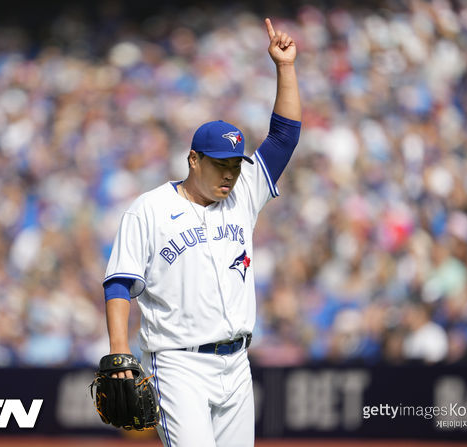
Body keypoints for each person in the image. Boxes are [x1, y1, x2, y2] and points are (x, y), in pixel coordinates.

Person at [102, 18, 301, 446]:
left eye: (235, 165)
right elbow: (119, 284)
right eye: (220, 164)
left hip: (237, 362)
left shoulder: (244, 192)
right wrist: (119, 351)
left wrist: (285, 68)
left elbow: (284, 138)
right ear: (194, 160)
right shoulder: (150, 209)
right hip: (178, 365)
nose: (230, 174)